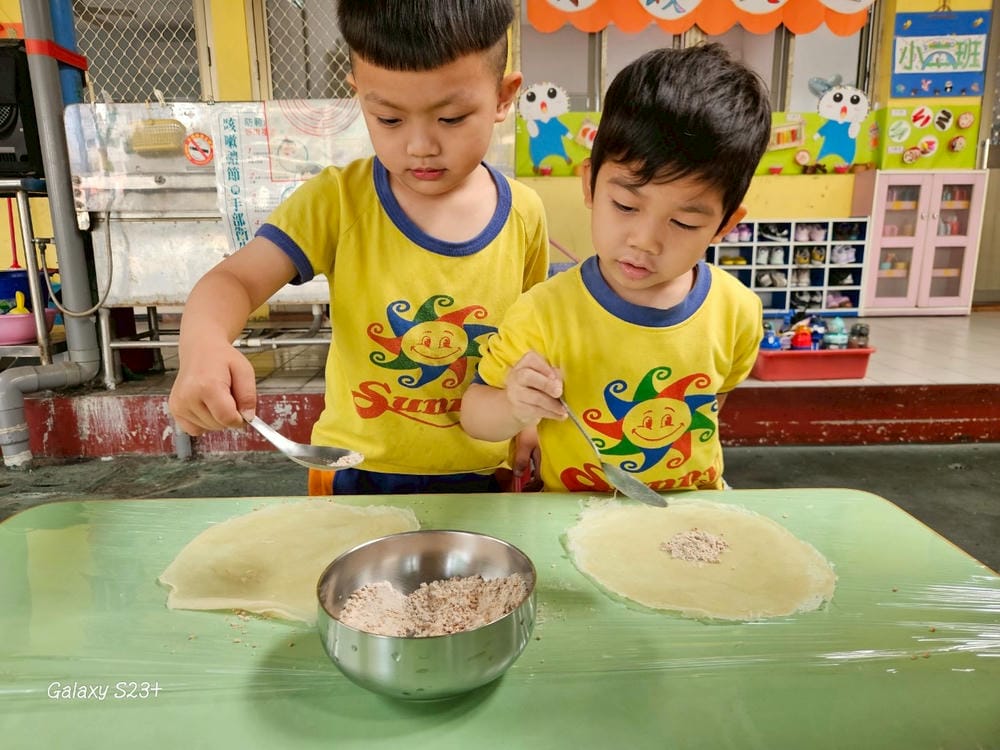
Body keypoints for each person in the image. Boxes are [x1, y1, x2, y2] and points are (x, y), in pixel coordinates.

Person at [168, 0, 549, 495]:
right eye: (389, 119)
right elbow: (235, 279)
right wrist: (202, 345)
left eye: (451, 118)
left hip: (485, 472)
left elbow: (528, 339)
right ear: (359, 95)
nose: (420, 146)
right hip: (353, 471)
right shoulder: (337, 202)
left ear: (503, 97)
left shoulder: (524, 214)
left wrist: (529, 422)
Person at [460, 44, 771, 493]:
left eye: (684, 223)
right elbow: (474, 416)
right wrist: (514, 406)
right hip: (574, 518)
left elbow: (711, 403)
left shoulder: (737, 311)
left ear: (724, 224)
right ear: (590, 184)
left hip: (692, 515)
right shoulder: (545, 313)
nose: (644, 241)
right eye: (625, 205)